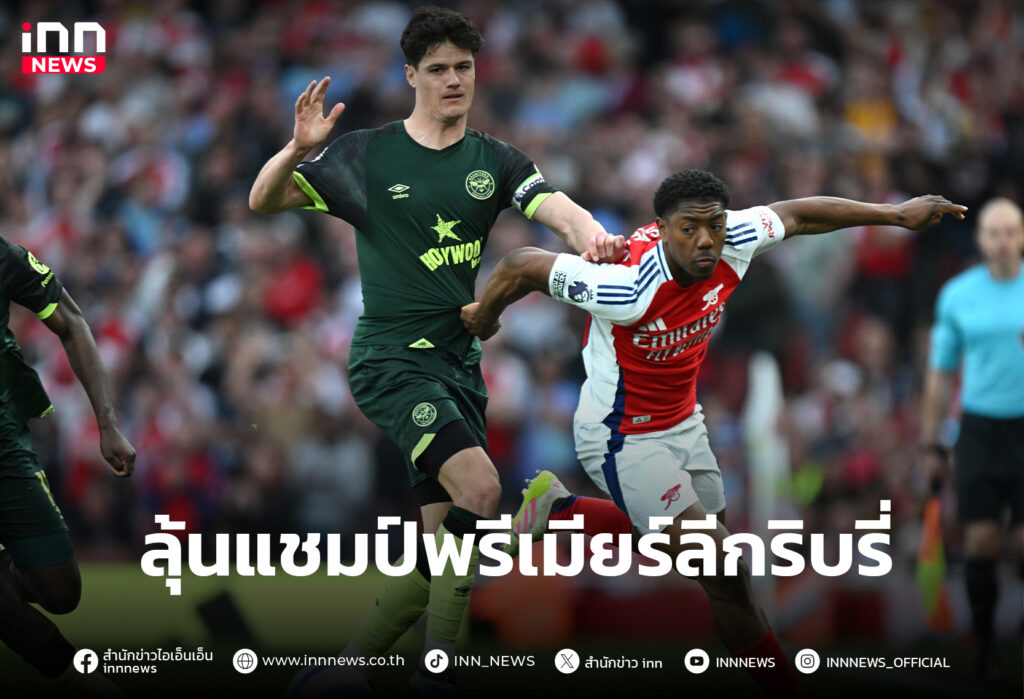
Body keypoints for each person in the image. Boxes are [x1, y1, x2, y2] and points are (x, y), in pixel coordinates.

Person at [463, 169, 966, 696]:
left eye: (715, 226)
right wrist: (484, 317)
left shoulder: (734, 239)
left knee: (710, 567)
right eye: (689, 229)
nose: (706, 240)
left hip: (684, 422)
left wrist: (894, 215)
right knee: (724, 566)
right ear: (662, 229)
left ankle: (562, 511)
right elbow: (520, 265)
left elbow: (799, 214)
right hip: (621, 437)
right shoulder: (623, 284)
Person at [248, 5, 622, 691]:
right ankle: (439, 671)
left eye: (464, 67)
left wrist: (594, 237)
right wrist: (297, 149)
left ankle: (348, 670)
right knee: (481, 487)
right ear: (411, 76)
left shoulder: (496, 160)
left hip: (459, 367)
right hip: (392, 360)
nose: (454, 80)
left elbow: (559, 209)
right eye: (439, 69)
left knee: (445, 552)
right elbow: (263, 201)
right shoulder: (367, 154)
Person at [0, 235, 136, 696]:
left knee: (61, 591)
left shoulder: (3, 256)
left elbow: (73, 321)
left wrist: (107, 423)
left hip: (3, 445)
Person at [919, 196, 1024, 680]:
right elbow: (940, 375)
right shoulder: (958, 296)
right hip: (980, 429)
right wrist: (931, 444)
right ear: (980, 240)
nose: (1002, 242)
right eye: (993, 233)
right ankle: (985, 648)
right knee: (981, 542)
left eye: (1011, 232)